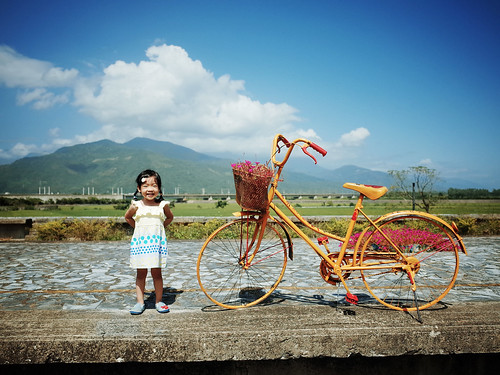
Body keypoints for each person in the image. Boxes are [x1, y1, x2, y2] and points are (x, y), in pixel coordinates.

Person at [124, 169, 174, 315]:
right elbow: (127, 217)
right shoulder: (136, 206)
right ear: (139, 189)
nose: (150, 189)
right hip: (141, 246)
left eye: (154, 185)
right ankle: (140, 302)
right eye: (145, 186)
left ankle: (159, 301)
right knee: (141, 274)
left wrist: (159, 229)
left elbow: (170, 218)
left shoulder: (162, 205)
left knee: (157, 274)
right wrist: (138, 229)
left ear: (159, 188)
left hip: (156, 246)